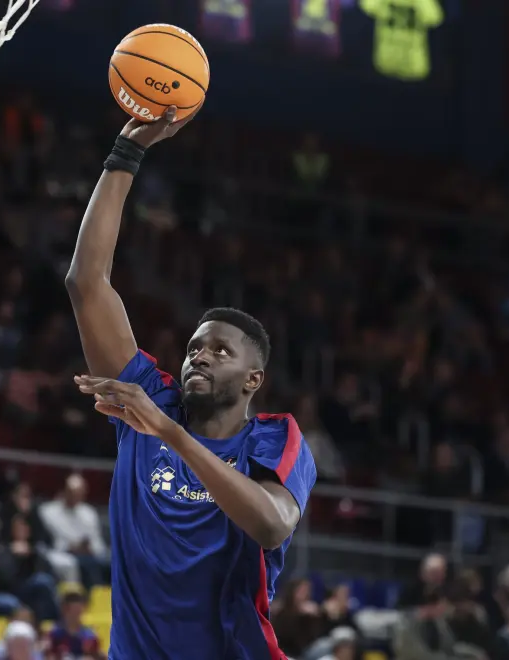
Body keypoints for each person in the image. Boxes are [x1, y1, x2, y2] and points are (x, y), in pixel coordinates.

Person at [64, 105, 318, 658]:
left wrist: (170, 434)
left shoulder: (273, 438)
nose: (199, 357)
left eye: (220, 351)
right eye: (194, 348)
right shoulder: (151, 402)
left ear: (253, 379)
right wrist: (127, 152)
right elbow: (87, 283)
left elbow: (272, 525)